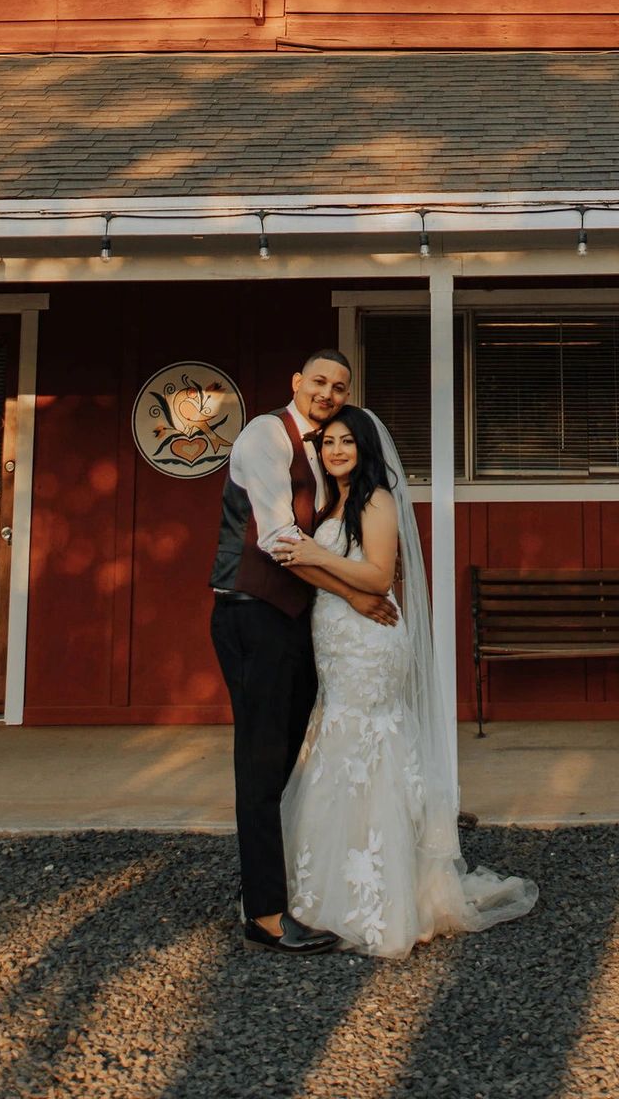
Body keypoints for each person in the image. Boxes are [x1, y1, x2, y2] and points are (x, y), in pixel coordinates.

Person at [271, 403, 539, 961]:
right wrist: (321, 568)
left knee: (370, 746)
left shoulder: (376, 499)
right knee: (338, 746)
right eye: (328, 443)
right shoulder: (332, 501)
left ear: (366, 448)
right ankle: (330, 887)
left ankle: (391, 899)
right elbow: (321, 571)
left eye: (347, 441)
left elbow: (376, 572)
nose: (336, 450)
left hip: (371, 641)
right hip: (338, 635)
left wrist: (317, 553)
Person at [210, 349, 398, 956]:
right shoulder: (266, 435)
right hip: (252, 614)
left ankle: (287, 885)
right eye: (318, 381)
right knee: (261, 768)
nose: (328, 392)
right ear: (296, 382)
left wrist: (351, 595)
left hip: (294, 622)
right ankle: (264, 915)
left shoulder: (320, 453)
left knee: (287, 763)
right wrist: (357, 593)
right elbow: (279, 542)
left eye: (339, 386)